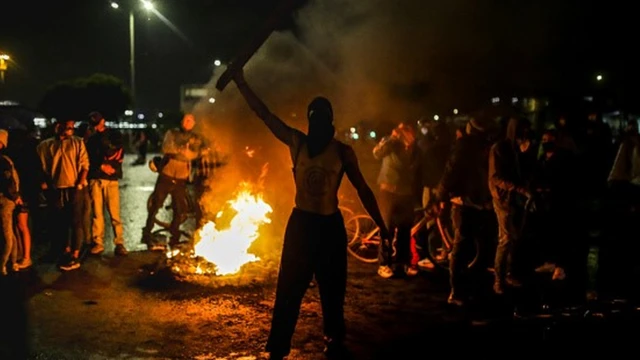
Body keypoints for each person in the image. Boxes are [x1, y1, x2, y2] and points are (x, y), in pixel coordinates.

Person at [232, 68, 390, 359]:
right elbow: (264, 115)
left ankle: (334, 337)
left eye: (322, 117)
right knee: (289, 288)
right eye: (313, 117)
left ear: (329, 121)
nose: (317, 123)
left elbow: (364, 190)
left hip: (329, 226)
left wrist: (381, 224)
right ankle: (279, 345)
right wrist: (241, 82)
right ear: (309, 120)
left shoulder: (343, 152)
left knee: (333, 289)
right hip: (301, 225)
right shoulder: (298, 143)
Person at [142, 113, 209, 250]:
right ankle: (147, 233)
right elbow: (167, 149)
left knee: (180, 210)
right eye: (186, 120)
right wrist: (185, 153)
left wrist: (186, 153)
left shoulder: (195, 138)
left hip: (181, 179)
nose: (188, 122)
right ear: (182, 121)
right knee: (156, 205)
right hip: (166, 175)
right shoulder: (172, 133)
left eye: (191, 121)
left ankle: (174, 238)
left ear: (193, 123)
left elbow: (196, 154)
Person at [37, 119, 90, 271]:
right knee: (60, 221)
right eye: (68, 127)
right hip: (57, 188)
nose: (70, 130)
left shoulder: (77, 143)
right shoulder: (45, 146)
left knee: (76, 221)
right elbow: (44, 168)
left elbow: (85, 165)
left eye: (72, 128)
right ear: (58, 127)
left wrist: (79, 184)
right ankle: (65, 250)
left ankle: (75, 253)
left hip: (75, 187)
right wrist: (46, 185)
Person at [86, 111, 127, 256]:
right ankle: (98, 243)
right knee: (97, 214)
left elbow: (119, 153)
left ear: (103, 121)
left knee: (115, 213)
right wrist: (101, 166)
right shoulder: (90, 139)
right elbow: (88, 159)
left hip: (111, 179)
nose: (96, 127)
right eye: (93, 125)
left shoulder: (114, 135)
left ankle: (120, 242)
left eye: (97, 123)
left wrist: (111, 167)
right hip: (96, 178)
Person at [0, 129, 21, 275]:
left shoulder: (3, 161)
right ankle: (13, 262)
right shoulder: (5, 159)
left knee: (6, 234)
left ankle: (3, 264)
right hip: (8, 199)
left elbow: (9, 183)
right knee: (10, 232)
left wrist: (14, 196)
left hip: (5, 200)